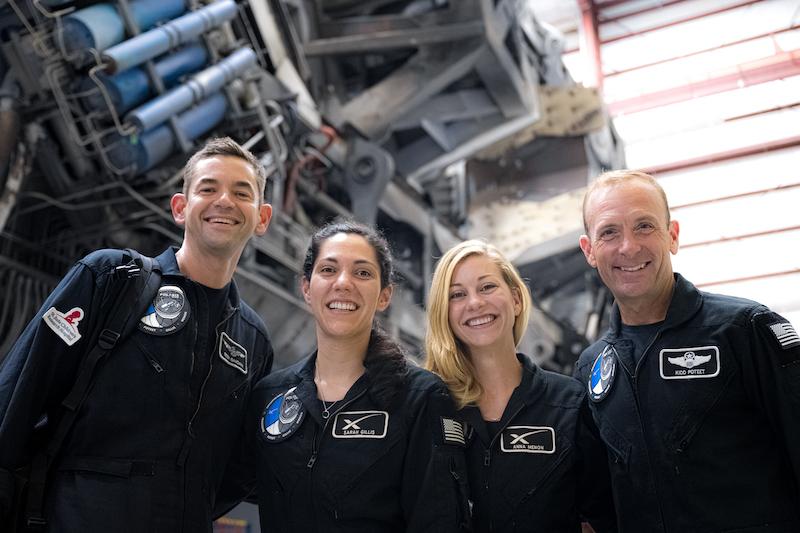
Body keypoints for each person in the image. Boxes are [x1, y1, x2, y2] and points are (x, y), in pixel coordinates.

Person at [0, 137, 275, 531]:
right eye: (208, 188)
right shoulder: (110, 278)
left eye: (240, 192)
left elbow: (238, 467)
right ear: (181, 208)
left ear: (262, 218)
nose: (224, 201)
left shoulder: (253, 341)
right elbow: (17, 397)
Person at [575, 169, 800, 532]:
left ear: (673, 236)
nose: (628, 246)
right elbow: (600, 505)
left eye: (644, 226)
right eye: (609, 232)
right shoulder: (593, 368)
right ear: (589, 251)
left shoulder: (743, 330)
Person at [250, 221, 469, 532]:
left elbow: (439, 521)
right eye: (328, 270)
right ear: (307, 288)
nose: (343, 282)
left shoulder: (420, 397)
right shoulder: (270, 395)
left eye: (362, 273)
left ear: (384, 296)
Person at [425, 239, 617, 533]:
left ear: (516, 299)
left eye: (487, 287)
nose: (475, 303)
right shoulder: (431, 407)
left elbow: (601, 517)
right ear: (445, 313)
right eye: (457, 295)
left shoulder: (569, 403)